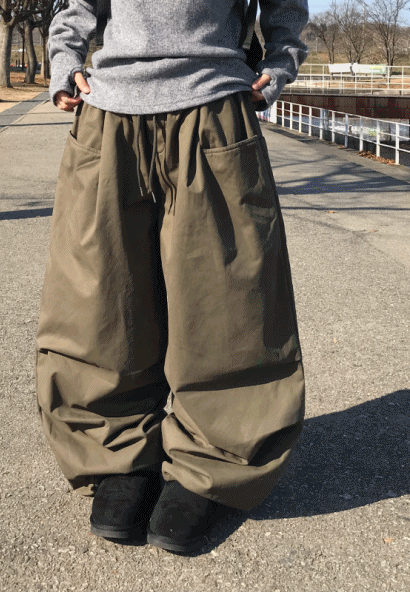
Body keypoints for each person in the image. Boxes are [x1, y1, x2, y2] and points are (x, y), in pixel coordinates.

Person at [36, 0, 308, 554]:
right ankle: (114, 453)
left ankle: (215, 462)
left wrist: (279, 63)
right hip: (109, 109)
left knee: (228, 303)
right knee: (97, 300)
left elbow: (286, 5)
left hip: (213, 105)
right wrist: (64, 58)